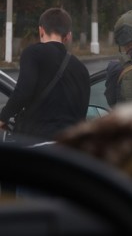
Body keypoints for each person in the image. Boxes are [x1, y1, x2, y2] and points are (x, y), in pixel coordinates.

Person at [0, 8, 90, 141]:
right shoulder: (81, 68)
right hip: (70, 147)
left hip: (38, 143)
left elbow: (23, 92)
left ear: (41, 30)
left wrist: (3, 118)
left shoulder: (33, 53)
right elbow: (82, 112)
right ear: (68, 36)